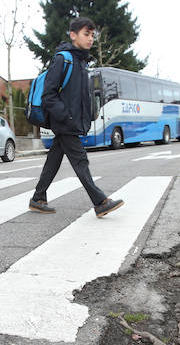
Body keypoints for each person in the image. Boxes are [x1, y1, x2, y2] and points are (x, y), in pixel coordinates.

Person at [29, 17, 123, 218]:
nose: (90, 39)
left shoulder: (81, 61)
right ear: (73, 35)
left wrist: (85, 117)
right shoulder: (64, 59)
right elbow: (49, 94)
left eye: (92, 35)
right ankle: (100, 202)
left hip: (70, 121)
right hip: (64, 122)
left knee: (53, 160)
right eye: (86, 34)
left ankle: (38, 198)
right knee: (81, 161)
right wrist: (67, 117)